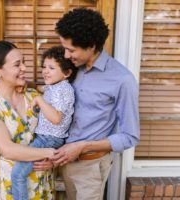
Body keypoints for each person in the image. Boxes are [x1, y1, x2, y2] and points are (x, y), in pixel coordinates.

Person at [52, 8, 140, 200]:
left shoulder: (122, 79)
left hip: (90, 167)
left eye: (71, 50)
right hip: (65, 161)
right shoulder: (72, 69)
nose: (66, 56)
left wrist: (82, 147)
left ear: (91, 46)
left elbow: (130, 137)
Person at [0, 40, 56, 200]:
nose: (24, 68)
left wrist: (53, 162)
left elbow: (54, 131)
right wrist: (51, 154)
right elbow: (8, 149)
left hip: (43, 182)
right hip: (14, 187)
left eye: (24, 62)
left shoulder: (33, 95)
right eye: (17, 64)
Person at [11, 46, 77, 200]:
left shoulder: (64, 90)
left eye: (51, 68)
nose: (45, 71)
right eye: (44, 67)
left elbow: (56, 119)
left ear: (67, 73)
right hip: (46, 138)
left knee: (17, 174)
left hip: (49, 138)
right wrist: (23, 84)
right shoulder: (54, 86)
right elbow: (39, 87)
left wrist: (39, 100)